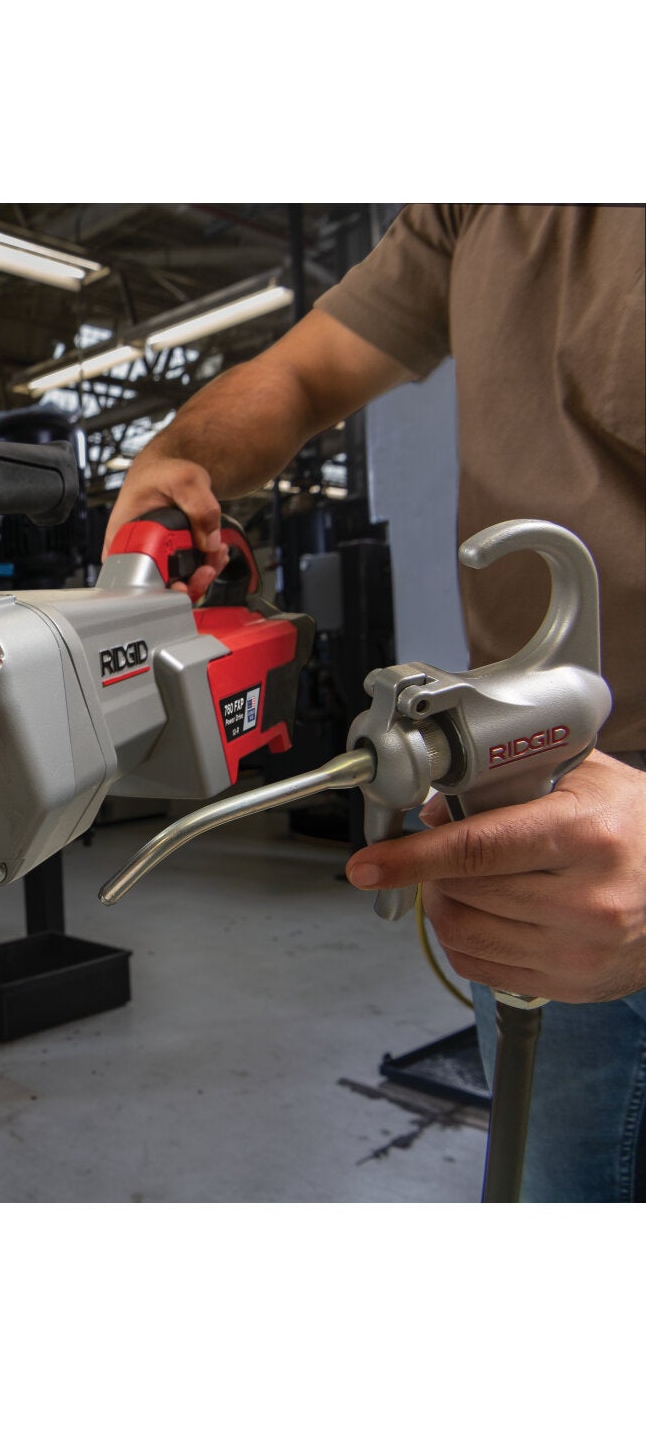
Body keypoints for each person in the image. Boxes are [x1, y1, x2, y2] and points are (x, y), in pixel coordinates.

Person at [104, 205, 646, 1201]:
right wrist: (183, 454)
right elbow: (306, 374)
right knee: (549, 1186)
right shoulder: (474, 205)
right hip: (538, 808)